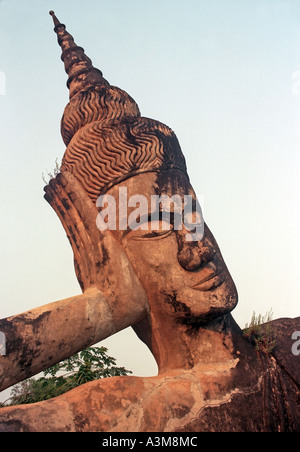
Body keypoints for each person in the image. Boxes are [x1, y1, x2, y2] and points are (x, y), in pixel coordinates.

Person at [0, 12, 299, 432]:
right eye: (156, 227)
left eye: (191, 215)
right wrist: (102, 306)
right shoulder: (126, 413)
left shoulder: (289, 346)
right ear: (110, 257)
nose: (197, 249)